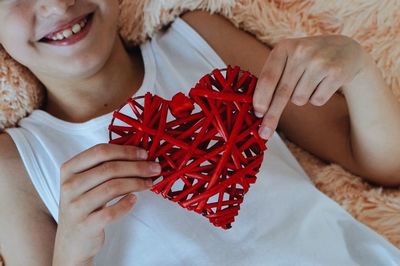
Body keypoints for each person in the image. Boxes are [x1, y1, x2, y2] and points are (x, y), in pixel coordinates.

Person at [0, 1, 399, 265]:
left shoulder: (200, 42)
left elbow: (384, 164)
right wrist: (71, 251)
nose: (56, 4)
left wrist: (359, 68)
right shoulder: (16, 163)